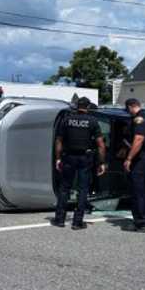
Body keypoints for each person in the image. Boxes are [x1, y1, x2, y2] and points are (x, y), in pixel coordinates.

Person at [51, 97, 106, 230]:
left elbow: (58, 141)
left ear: (76, 106)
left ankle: (59, 219)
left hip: (68, 157)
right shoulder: (93, 121)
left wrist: (58, 158)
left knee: (64, 188)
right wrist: (101, 162)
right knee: (83, 189)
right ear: (87, 107)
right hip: (85, 158)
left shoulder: (66, 120)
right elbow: (101, 145)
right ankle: (77, 222)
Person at [122, 98, 145, 232]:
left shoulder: (139, 119)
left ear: (131, 106)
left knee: (137, 191)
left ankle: (140, 223)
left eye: (127, 110)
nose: (128, 112)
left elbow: (138, 139)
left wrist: (129, 158)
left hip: (140, 158)